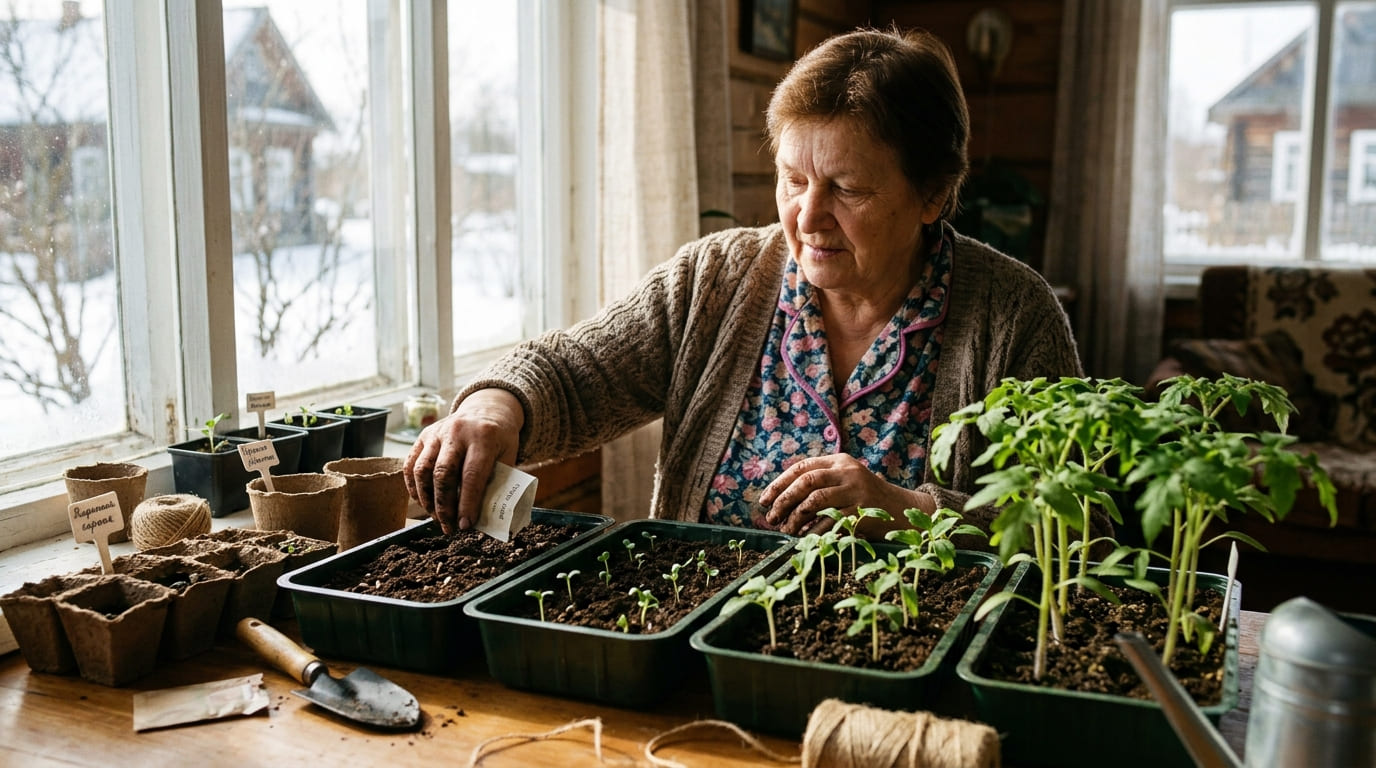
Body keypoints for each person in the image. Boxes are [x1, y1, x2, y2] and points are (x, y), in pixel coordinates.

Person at [404, 27, 1088, 545]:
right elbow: (577, 369)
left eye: (846, 187)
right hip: (694, 652)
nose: (808, 216)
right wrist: (495, 407)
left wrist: (904, 510)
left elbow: (1070, 526)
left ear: (933, 195)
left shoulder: (1013, 316)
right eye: (793, 179)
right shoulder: (716, 280)